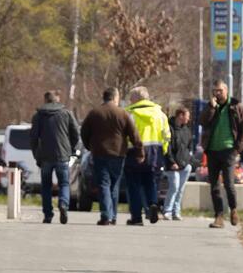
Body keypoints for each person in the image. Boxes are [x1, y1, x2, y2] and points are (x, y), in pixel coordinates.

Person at [80, 87, 137, 226]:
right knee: (114, 184)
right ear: (115, 97)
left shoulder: (94, 113)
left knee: (103, 184)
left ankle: (106, 215)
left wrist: (89, 146)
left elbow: (84, 131)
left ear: (104, 97)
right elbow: (133, 133)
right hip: (118, 154)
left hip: (100, 153)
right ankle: (113, 216)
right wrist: (139, 149)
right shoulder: (123, 113)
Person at [202, 80, 243, 228]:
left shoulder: (236, 106)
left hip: (229, 150)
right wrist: (211, 107)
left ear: (226, 91)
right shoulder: (211, 106)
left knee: (229, 183)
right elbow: (203, 122)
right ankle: (219, 216)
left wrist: (238, 148)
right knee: (214, 185)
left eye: (220, 91)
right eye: (215, 91)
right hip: (212, 150)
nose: (217, 93)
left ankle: (233, 209)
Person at [29, 89, 81, 224]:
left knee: (46, 186)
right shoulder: (66, 113)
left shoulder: (38, 116)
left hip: (45, 156)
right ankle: (63, 203)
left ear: (45, 100)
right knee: (64, 183)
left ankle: (48, 214)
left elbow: (33, 138)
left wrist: (36, 155)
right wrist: (71, 149)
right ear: (57, 100)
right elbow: (76, 134)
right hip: (62, 155)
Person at [126, 86, 171, 224]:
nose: (129, 100)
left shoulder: (130, 114)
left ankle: (136, 217)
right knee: (151, 182)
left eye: (131, 98)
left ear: (136, 99)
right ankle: (153, 204)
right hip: (156, 153)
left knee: (134, 185)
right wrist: (163, 150)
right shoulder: (160, 115)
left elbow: (126, 135)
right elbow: (167, 136)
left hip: (134, 152)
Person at [163, 102, 197, 220]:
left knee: (180, 189)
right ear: (180, 116)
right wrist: (172, 162)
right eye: (187, 116)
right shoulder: (169, 128)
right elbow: (167, 147)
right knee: (174, 187)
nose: (188, 119)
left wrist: (189, 161)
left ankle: (176, 212)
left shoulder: (186, 130)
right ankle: (167, 210)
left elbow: (189, 147)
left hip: (185, 165)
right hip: (172, 165)